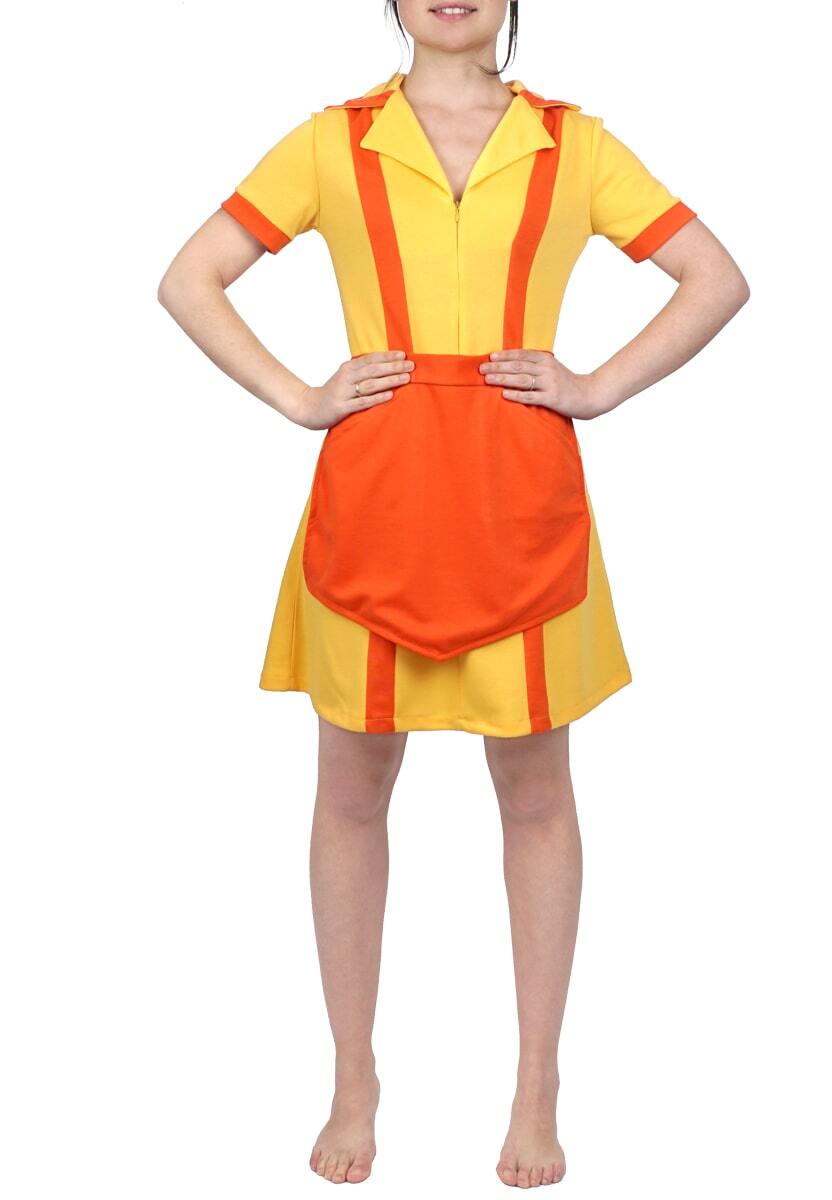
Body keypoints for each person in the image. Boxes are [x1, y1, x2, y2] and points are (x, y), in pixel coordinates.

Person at [158, 0, 749, 1187]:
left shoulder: (574, 145)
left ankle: (537, 1084)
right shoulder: (333, 141)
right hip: (375, 498)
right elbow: (191, 279)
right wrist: (299, 395)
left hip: (519, 499)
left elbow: (714, 277)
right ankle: (352, 1074)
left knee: (535, 792)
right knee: (351, 788)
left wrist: (596, 386)